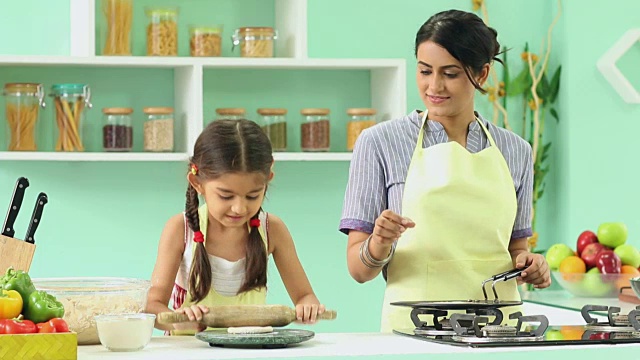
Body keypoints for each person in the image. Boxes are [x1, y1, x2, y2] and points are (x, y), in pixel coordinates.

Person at [339, 9, 551, 333]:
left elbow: (516, 251)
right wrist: (378, 244)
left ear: (481, 74)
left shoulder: (516, 151)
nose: (433, 85)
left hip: (499, 332)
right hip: (414, 335)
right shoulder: (380, 142)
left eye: (450, 73)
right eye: (425, 71)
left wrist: (531, 265)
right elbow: (358, 268)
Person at [146, 119, 326, 335]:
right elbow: (151, 306)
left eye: (252, 195)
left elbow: (305, 296)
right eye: (226, 195)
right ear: (197, 183)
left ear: (268, 180)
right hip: (187, 352)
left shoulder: (272, 230)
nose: (239, 208)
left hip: (248, 352)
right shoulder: (180, 229)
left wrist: (308, 306)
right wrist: (177, 322)